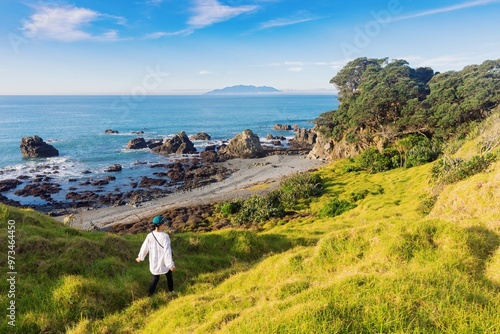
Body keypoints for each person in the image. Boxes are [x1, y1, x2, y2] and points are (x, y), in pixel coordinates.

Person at [136, 215, 176, 297]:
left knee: (155, 278)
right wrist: (170, 265)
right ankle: (171, 292)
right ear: (160, 225)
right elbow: (167, 251)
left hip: (154, 261)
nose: (164, 224)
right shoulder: (165, 236)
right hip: (164, 261)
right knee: (169, 276)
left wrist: (140, 257)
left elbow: (144, 247)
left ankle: (149, 296)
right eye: (163, 223)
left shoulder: (150, 235)